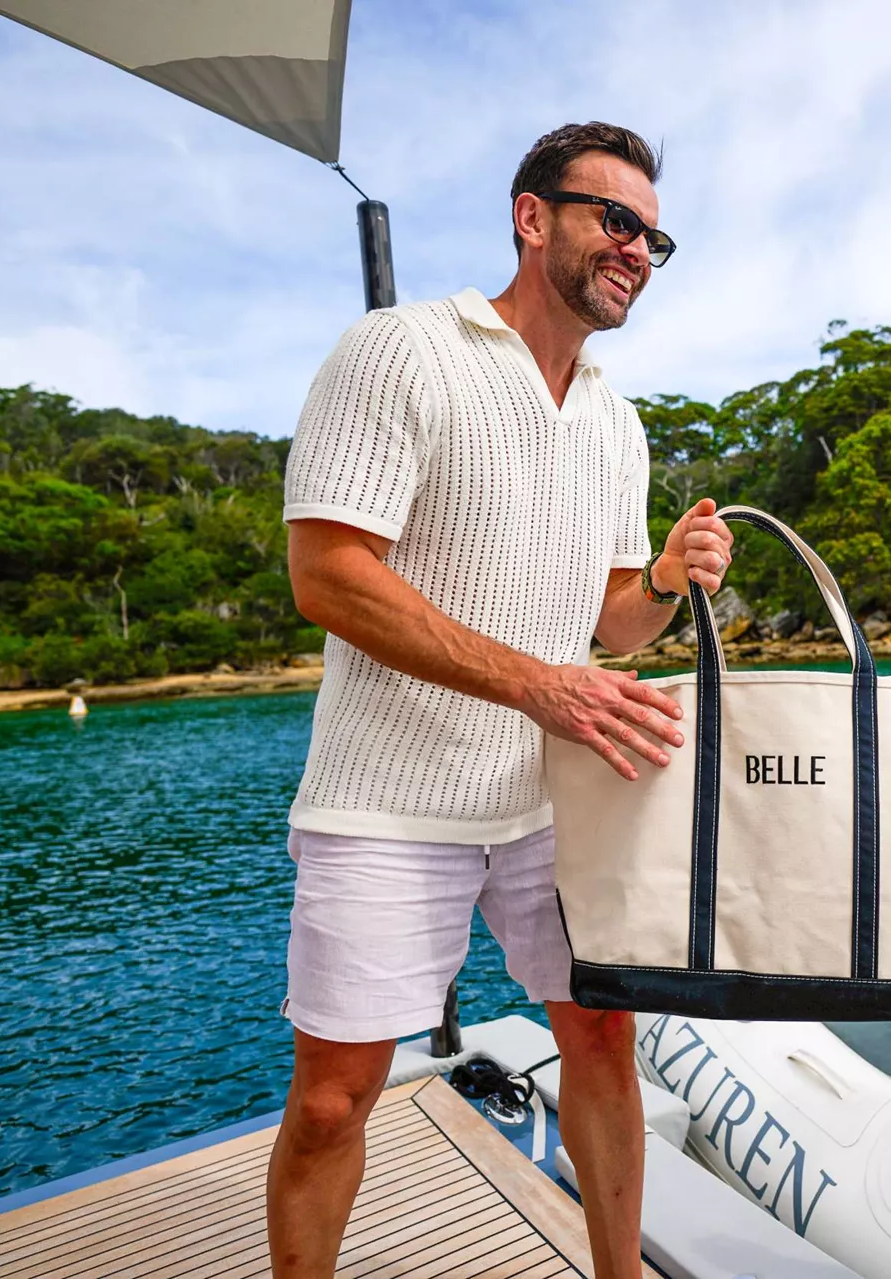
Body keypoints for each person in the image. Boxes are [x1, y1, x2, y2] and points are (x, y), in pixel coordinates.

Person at [266, 122, 733, 1279]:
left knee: (603, 1039)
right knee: (332, 1099)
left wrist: (665, 579)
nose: (638, 249)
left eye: (655, 236)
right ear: (532, 217)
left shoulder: (616, 420)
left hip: (551, 799)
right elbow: (327, 574)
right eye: (615, 220)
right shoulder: (402, 351)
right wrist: (539, 685)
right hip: (386, 796)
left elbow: (613, 623)